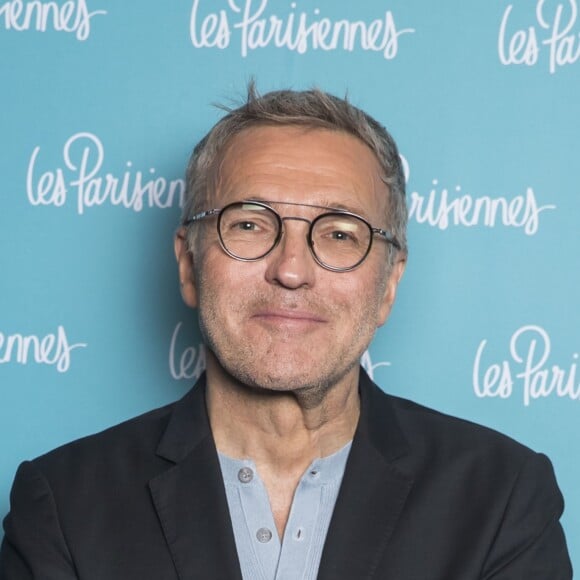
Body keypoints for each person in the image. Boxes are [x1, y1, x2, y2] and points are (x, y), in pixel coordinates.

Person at [0, 86, 572, 580]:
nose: (291, 270)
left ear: (389, 286)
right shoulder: (63, 505)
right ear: (188, 264)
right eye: (249, 224)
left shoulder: (502, 497)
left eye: (341, 234)